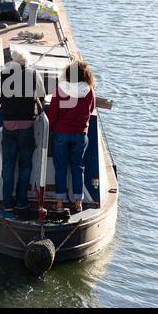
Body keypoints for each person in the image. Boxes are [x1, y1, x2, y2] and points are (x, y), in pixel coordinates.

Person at [0, 48, 45, 212]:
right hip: (26, 125)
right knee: (25, 165)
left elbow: (4, 97)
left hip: (8, 124)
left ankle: (7, 203)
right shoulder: (33, 73)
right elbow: (41, 94)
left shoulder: (5, 73)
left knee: (8, 165)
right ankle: (21, 201)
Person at [47, 60, 95, 213]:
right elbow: (91, 109)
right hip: (80, 134)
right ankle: (78, 202)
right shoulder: (89, 91)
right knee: (78, 168)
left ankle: (60, 203)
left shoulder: (60, 90)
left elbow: (53, 114)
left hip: (61, 133)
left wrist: (53, 129)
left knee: (60, 168)